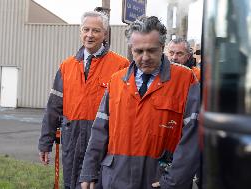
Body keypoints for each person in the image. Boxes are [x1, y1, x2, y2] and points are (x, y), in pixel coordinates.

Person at [80, 16, 200, 189]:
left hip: (159, 181)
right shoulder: (116, 81)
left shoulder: (186, 80)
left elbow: (193, 139)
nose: (145, 57)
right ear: (131, 49)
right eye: (138, 51)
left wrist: (172, 181)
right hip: (116, 179)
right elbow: (100, 130)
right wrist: (89, 171)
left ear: (162, 47)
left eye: (151, 50)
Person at [38, 11, 129, 189]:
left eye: (95, 30)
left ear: (105, 34)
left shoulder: (121, 66)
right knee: (71, 184)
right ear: (80, 32)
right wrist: (45, 142)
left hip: (104, 142)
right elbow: (53, 108)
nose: (89, 35)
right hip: (72, 138)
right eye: (86, 29)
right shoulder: (67, 66)